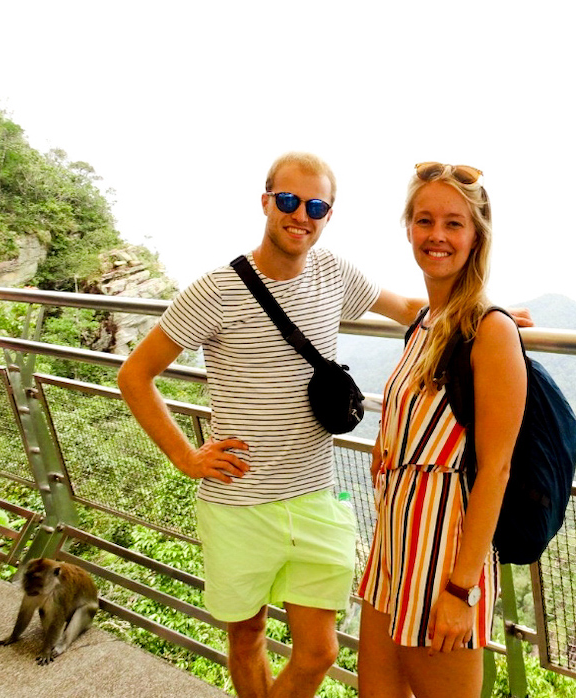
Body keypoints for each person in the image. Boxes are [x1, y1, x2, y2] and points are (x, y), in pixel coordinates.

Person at [117, 152, 431, 698]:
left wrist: (485, 311)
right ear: (265, 201)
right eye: (288, 201)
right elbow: (135, 375)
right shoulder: (216, 289)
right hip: (239, 502)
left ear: (329, 214)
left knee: (320, 653)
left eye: (315, 206)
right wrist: (185, 457)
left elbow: (407, 307)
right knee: (249, 637)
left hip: (313, 496)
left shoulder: (333, 272)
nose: (300, 215)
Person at [356, 163, 528, 698]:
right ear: (408, 228)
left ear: (477, 236)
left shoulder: (489, 330)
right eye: (425, 219)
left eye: (454, 223)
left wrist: (461, 588)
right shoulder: (426, 323)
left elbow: (496, 469)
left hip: (442, 553)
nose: (437, 235)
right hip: (393, 544)